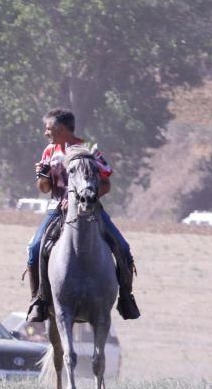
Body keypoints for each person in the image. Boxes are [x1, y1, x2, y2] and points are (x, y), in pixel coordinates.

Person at [25, 108, 140, 322]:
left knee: (123, 247)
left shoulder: (89, 150)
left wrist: (84, 198)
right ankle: (38, 300)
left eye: (48, 128)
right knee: (34, 248)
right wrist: (41, 174)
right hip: (57, 209)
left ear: (61, 129)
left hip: (90, 208)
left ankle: (126, 298)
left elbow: (106, 184)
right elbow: (43, 188)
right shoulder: (49, 152)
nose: (45, 133)